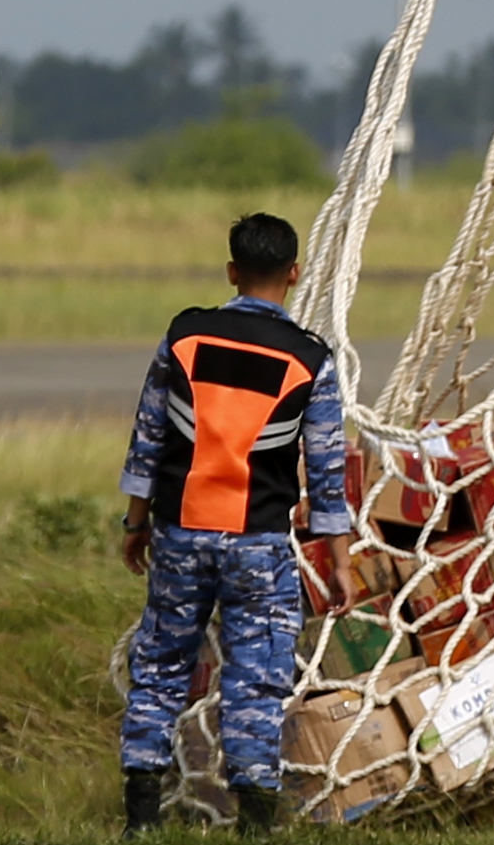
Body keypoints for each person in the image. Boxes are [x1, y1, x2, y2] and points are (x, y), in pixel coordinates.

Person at [117, 212, 352, 833]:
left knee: (162, 668)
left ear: (231, 271)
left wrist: (134, 522)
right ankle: (255, 823)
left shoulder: (186, 336)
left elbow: (149, 436)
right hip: (258, 544)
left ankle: (140, 818)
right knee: (256, 680)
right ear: (295, 274)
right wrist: (343, 561)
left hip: (179, 533)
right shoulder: (310, 359)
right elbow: (328, 469)